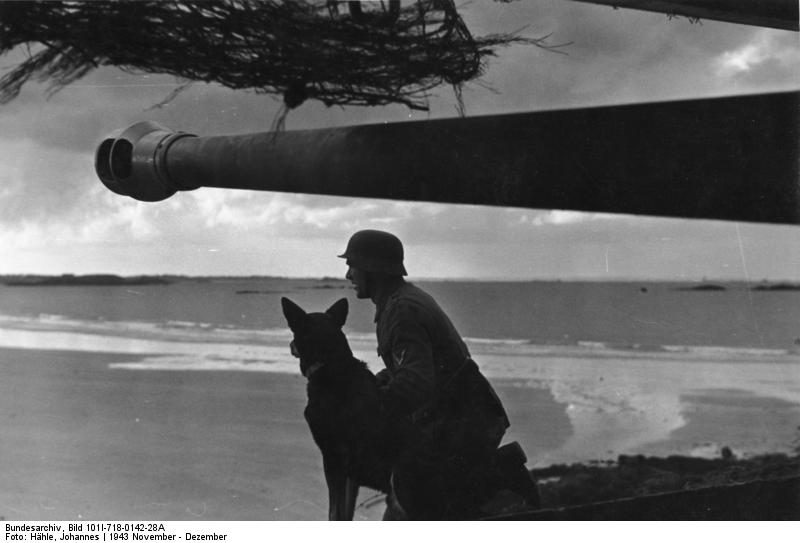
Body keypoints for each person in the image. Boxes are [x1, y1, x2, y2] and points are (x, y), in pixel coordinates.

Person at [339, 229, 510, 520]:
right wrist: (375, 384)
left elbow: (415, 382)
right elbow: (411, 366)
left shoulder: (401, 309)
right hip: (465, 420)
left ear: (372, 268)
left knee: (408, 509)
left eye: (352, 265)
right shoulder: (400, 300)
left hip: (460, 428)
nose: (348, 275)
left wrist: (370, 409)